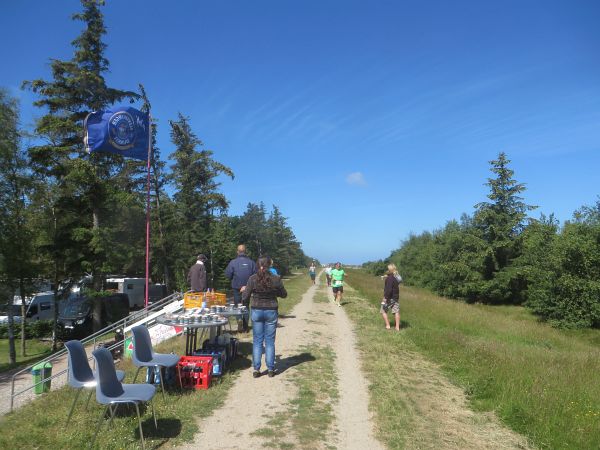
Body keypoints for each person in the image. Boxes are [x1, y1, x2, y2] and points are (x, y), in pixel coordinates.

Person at [242, 256, 287, 378]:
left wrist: (245, 291)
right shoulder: (276, 279)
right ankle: (271, 369)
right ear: (269, 265)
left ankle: (256, 369)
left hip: (257, 310)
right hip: (271, 310)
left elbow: (245, 297)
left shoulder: (252, 278)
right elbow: (284, 295)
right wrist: (275, 292)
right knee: (270, 341)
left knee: (257, 341)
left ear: (258, 265)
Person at [225, 244, 257, 331]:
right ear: (245, 251)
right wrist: (248, 285)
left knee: (237, 306)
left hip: (236, 287)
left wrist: (234, 279)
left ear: (237, 252)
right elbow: (256, 276)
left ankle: (239, 321)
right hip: (248, 287)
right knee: (246, 306)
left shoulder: (233, 262)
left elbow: (228, 275)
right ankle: (246, 326)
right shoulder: (251, 263)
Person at [380, 263, 401, 330]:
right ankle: (397, 327)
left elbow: (388, 290)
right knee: (396, 311)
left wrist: (385, 298)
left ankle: (388, 325)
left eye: (388, 269)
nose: (387, 270)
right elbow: (390, 276)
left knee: (383, 311)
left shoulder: (389, 279)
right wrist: (385, 276)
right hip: (396, 297)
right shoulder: (396, 277)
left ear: (390, 270)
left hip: (389, 298)